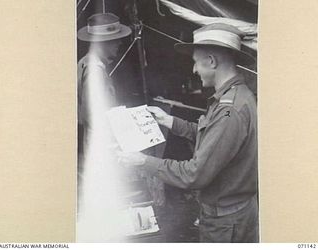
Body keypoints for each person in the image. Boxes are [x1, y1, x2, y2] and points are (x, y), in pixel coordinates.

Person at [117, 23, 258, 243]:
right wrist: (170, 121)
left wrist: (143, 161)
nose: (193, 70)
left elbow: (193, 174)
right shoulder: (235, 96)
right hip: (233, 214)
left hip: (226, 223)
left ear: (211, 61)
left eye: (195, 63)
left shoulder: (229, 111)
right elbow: (212, 137)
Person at [77, 13, 131, 242]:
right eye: (116, 39)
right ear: (103, 42)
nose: (119, 43)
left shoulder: (84, 63)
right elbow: (96, 117)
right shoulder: (95, 71)